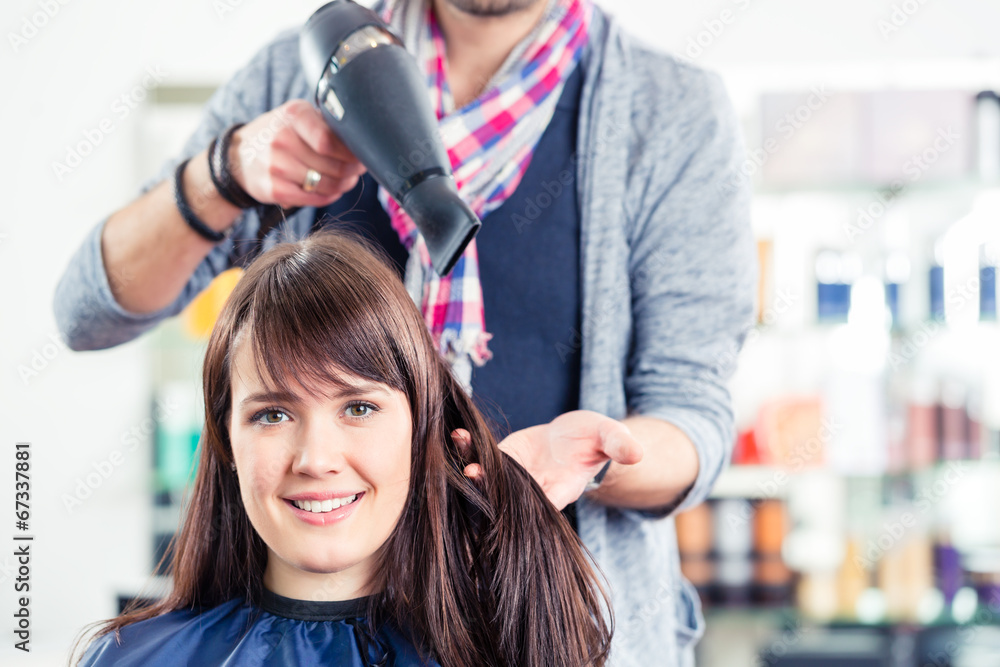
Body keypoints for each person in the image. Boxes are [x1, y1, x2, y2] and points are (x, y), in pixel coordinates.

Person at [54, 0, 756, 663]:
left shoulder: (669, 112)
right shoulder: (301, 74)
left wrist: (584, 459)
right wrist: (224, 172)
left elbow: (691, 412)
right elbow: (87, 309)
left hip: (542, 632)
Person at [73, 228, 613, 666]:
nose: (316, 459)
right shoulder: (132, 659)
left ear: (420, 427)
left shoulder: (522, 650)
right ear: (227, 440)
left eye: (358, 408)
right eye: (273, 414)